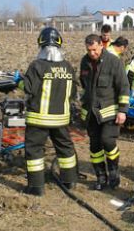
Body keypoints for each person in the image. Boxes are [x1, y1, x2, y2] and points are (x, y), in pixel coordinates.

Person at [22, 27, 78, 196]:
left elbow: (28, 89)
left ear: (41, 46)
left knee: (34, 150)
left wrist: (19, 81)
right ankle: (70, 181)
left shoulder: (37, 65)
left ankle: (36, 187)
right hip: (61, 119)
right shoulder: (68, 67)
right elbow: (74, 93)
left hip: (39, 118)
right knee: (65, 149)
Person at [79, 34, 129, 190]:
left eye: (94, 49)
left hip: (109, 111)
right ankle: (101, 176)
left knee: (107, 141)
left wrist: (122, 110)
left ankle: (113, 171)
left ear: (101, 45)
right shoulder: (84, 62)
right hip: (90, 112)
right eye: (89, 50)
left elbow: (123, 86)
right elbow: (84, 83)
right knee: (94, 146)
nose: (92, 53)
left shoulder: (113, 62)